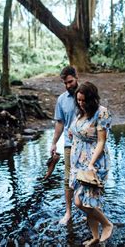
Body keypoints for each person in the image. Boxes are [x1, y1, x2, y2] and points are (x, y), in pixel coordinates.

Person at [68, 81, 113, 245]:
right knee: (89, 202)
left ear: (92, 99)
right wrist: (73, 132)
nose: (81, 103)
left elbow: (101, 141)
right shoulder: (80, 112)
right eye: (78, 100)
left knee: (80, 202)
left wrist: (91, 164)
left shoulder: (102, 113)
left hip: (94, 162)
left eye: (84, 100)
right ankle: (95, 237)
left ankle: (107, 224)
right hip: (78, 162)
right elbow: (76, 129)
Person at [50, 65, 79, 225]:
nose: (68, 86)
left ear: (77, 77)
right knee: (68, 180)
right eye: (65, 83)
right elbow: (60, 123)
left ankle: (92, 211)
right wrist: (54, 143)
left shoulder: (87, 95)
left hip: (87, 145)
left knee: (90, 178)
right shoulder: (61, 99)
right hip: (69, 145)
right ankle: (68, 213)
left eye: (70, 82)